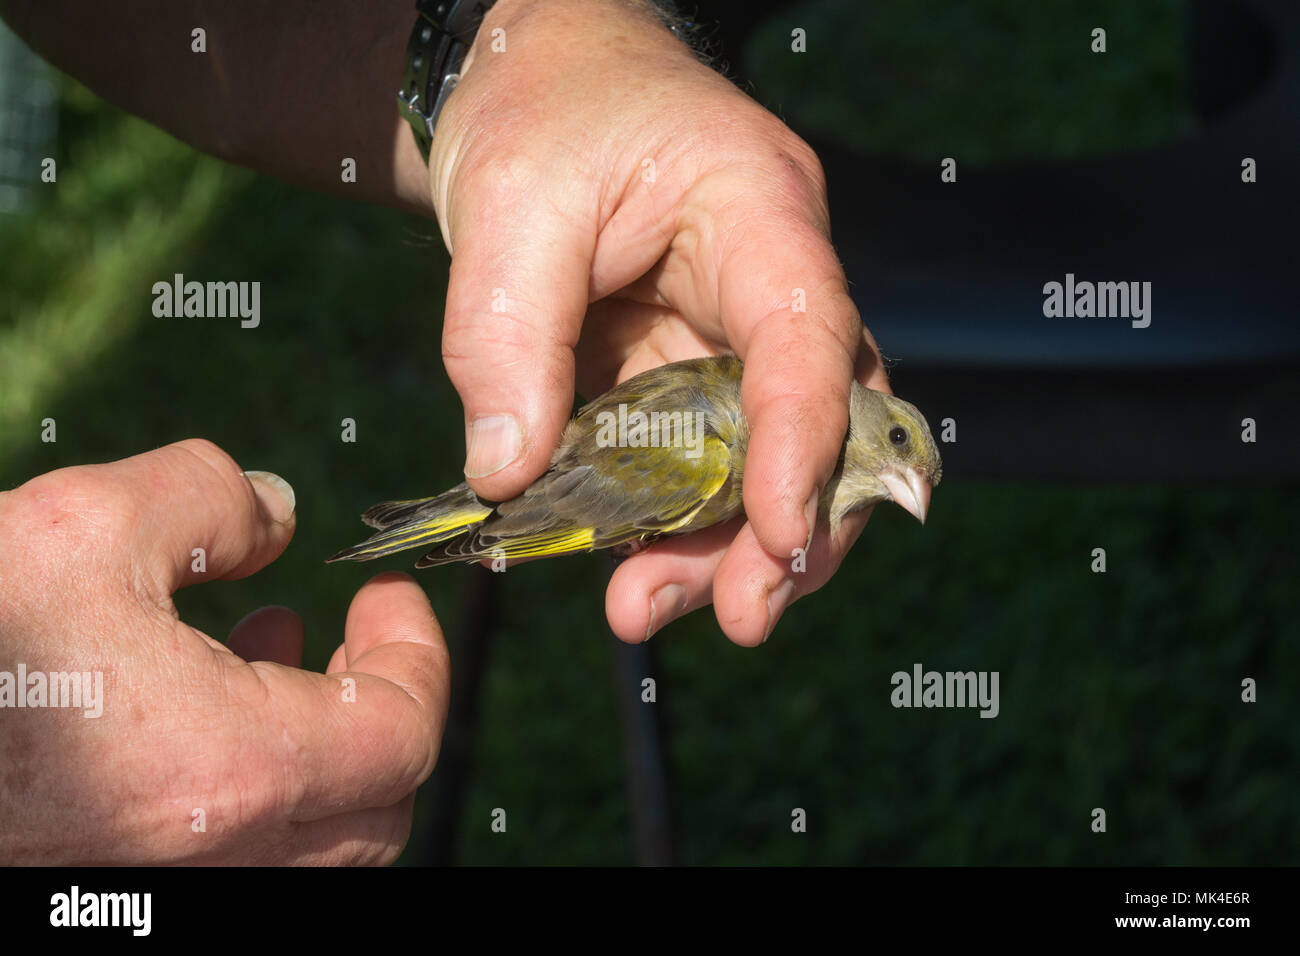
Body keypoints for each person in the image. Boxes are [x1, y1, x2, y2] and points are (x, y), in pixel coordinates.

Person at [0, 0, 889, 862]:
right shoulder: (702, 464)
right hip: (550, 485)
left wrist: (515, 41)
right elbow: (586, 508)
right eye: (897, 453)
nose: (906, 487)